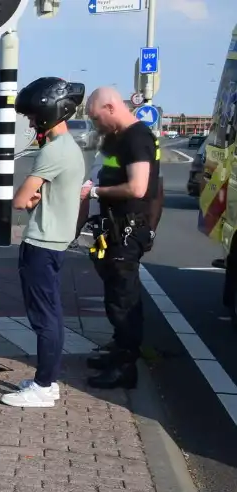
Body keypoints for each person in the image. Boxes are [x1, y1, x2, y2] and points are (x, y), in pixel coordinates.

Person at [0, 77, 86, 409]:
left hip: (42, 242)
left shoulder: (52, 151)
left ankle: (43, 385)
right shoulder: (70, 148)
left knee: (44, 317)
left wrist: (30, 194)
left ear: (50, 113)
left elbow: (21, 199)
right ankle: (46, 382)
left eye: (34, 116)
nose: (32, 122)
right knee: (50, 313)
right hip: (56, 241)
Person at [81, 87, 161, 389]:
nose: (95, 124)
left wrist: (97, 192)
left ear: (111, 107)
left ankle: (125, 366)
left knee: (124, 299)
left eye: (96, 117)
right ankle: (118, 351)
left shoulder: (136, 137)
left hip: (127, 229)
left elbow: (139, 188)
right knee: (116, 293)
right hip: (116, 228)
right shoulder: (122, 138)